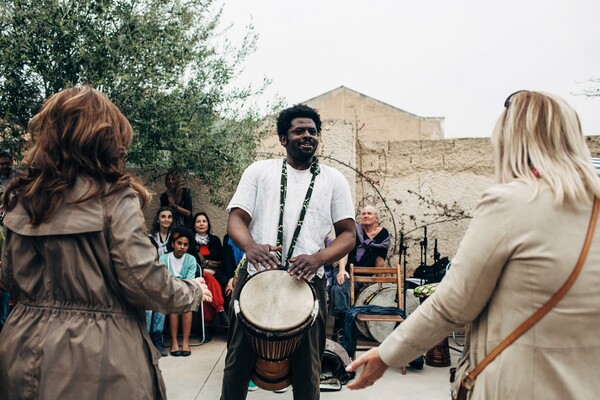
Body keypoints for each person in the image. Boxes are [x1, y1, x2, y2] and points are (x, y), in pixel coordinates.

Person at [347, 91, 600, 399]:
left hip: (519, 387)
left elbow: (453, 305)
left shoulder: (512, 202)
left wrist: (386, 354)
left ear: (512, 141)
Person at [0, 86, 212, 399]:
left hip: (21, 347)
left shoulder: (23, 197)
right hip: (96, 355)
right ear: (105, 139)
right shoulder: (113, 198)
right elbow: (144, 281)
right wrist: (193, 291)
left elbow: (7, 276)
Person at [221, 104, 356, 400]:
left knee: (308, 373)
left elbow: (348, 233)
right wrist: (251, 247)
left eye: (312, 131)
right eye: (299, 131)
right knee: (236, 365)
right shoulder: (259, 171)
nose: (307, 135)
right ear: (283, 138)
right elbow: (236, 219)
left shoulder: (333, 179)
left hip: (307, 282)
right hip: (256, 278)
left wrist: (320, 258)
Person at [329, 205, 391, 336]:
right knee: (340, 285)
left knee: (339, 288)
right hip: (345, 269)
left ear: (376, 219)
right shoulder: (355, 231)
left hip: (363, 275)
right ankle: (343, 325)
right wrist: (341, 270)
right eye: (363, 214)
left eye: (369, 214)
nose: (366, 216)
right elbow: (344, 251)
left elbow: (380, 260)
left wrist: (376, 280)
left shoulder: (383, 235)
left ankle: (341, 325)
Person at [160, 227, 198, 357]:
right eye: (179, 243)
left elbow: (190, 279)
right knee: (174, 304)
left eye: (185, 244)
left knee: (187, 304)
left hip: (186, 289)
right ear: (172, 244)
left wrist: (180, 288)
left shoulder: (191, 259)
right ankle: (174, 342)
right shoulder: (164, 259)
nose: (182, 247)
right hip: (169, 290)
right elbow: (164, 279)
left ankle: (185, 342)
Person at [190, 212, 229, 336]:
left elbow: (221, 259)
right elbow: (191, 261)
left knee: (206, 288)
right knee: (205, 280)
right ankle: (220, 309)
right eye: (198, 221)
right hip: (198, 274)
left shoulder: (215, 240)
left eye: (204, 221)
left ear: (208, 224)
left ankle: (206, 327)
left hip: (217, 274)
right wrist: (203, 271)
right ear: (194, 225)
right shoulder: (190, 241)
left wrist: (212, 270)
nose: (201, 224)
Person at [146, 206, 175, 356]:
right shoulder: (150, 238)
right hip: (153, 277)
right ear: (158, 219)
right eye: (163, 217)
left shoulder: (175, 238)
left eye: (169, 217)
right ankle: (147, 340)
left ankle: (157, 339)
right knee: (149, 305)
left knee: (161, 303)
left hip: (171, 277)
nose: (166, 220)